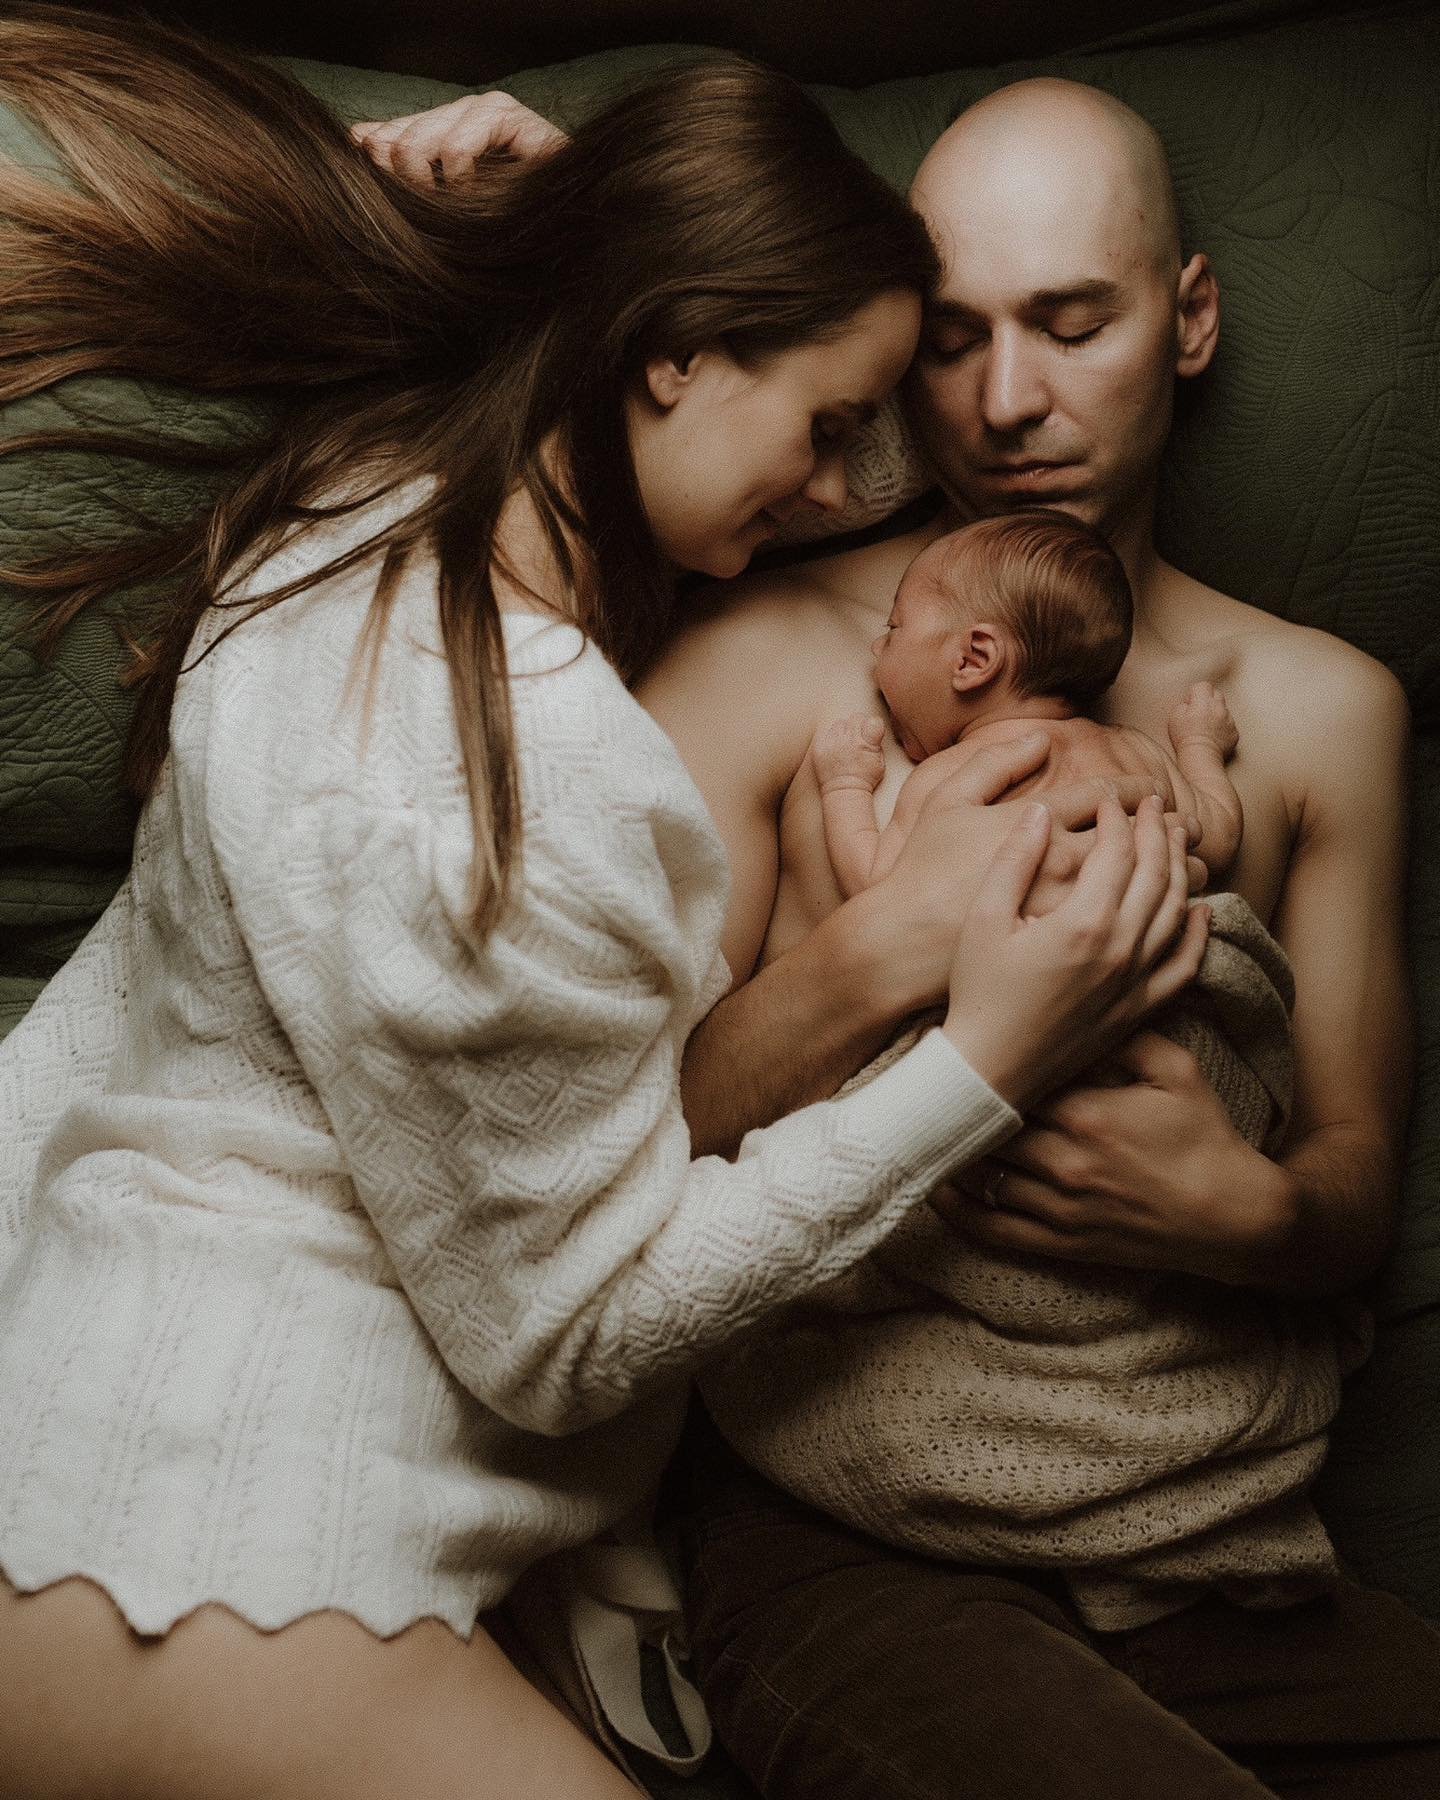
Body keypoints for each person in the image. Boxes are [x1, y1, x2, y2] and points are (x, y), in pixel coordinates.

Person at [0, 14, 1206, 1800]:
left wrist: (596, 209)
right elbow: (573, 1341)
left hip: (94, 1399)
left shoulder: (380, 496)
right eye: (826, 426)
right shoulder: (504, 770)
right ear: (669, 360)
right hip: (216, 1535)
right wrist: (984, 1061)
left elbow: (716, 403)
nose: (839, 488)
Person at [638, 76, 1435, 1800]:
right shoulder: (771, 654)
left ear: (1191, 316)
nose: (1008, 404)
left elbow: (1358, 1192)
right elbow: (597, 1148)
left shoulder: (1320, 712)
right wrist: (897, 956)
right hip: (848, 1539)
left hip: (1215, 1543)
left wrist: (1254, 1210)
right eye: (955, 340)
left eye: (1074, 325)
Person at [813, 510, 1243, 895]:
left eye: (893, 628)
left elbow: (877, 889)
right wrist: (1199, 746)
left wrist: (844, 784)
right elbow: (1220, 839)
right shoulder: (1135, 751)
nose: (875, 648)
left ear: (973, 659)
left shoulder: (952, 777)